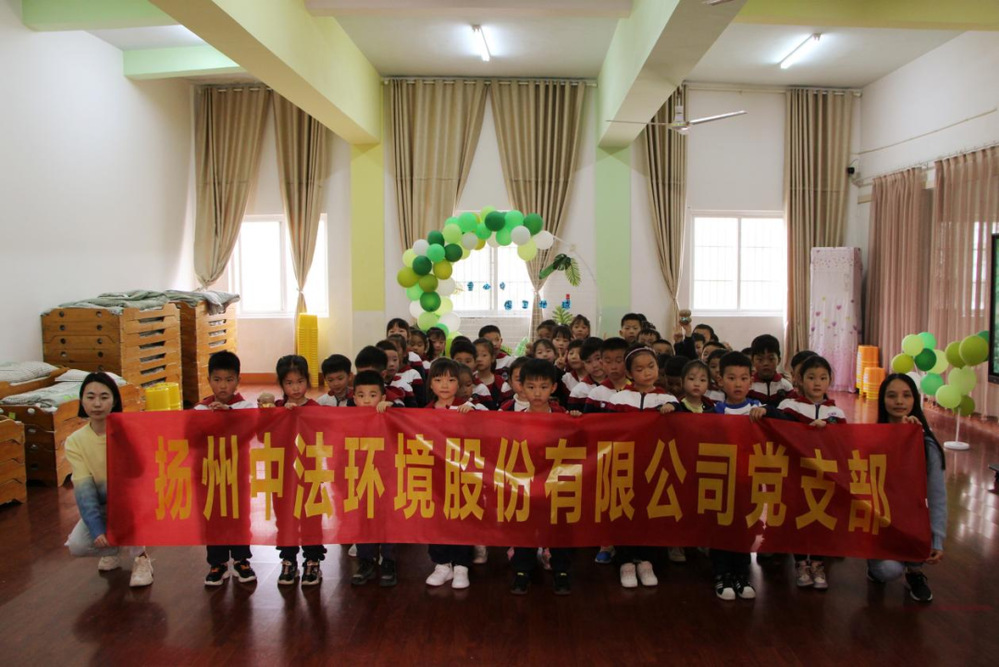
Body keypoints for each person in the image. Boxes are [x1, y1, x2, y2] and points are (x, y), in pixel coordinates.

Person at [65, 372, 154, 587]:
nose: (97, 404)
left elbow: (142, 474)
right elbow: (85, 491)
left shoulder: (131, 431)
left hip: (133, 504)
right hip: (104, 505)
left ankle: (141, 558)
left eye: (104, 397)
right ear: (82, 401)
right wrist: (97, 530)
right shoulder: (75, 441)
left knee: (130, 510)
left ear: (114, 401)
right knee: (77, 545)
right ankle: (112, 550)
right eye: (91, 397)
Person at [868, 373, 946, 603]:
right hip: (882, 523)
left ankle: (915, 571)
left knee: (916, 552)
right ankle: (875, 565)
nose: (899, 401)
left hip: (912, 522)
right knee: (888, 571)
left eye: (906, 395)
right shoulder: (871, 439)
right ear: (882, 400)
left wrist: (937, 539)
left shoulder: (926, 445)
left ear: (915, 400)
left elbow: (937, 495)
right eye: (892, 396)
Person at [607, 346, 677, 588]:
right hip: (624, 464)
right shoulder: (618, 399)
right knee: (625, 510)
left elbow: (682, 429)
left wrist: (674, 411)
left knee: (650, 510)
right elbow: (603, 428)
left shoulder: (667, 399)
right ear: (629, 373)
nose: (646, 372)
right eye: (639, 369)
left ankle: (646, 560)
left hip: (655, 465)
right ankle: (625, 561)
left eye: (651, 366)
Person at [710, 351, 774, 601]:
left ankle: (741, 573)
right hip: (721, 481)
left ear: (751, 380)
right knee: (720, 527)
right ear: (720, 380)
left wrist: (766, 412)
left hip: (749, 481)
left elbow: (782, 423)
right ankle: (721, 574)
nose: (738, 384)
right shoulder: (715, 411)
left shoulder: (757, 409)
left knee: (746, 526)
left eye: (743, 378)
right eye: (731, 378)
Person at [777, 355, 845, 590]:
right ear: (800, 379)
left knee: (820, 517)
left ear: (830, 381)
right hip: (796, 473)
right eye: (811, 377)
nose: (817, 383)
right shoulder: (789, 406)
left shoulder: (836, 412)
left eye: (823, 378)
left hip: (824, 476)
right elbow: (780, 429)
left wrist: (828, 428)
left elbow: (844, 440)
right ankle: (800, 563)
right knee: (798, 516)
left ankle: (817, 563)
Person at [509, 359, 577, 595]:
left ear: (554, 388)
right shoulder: (511, 419)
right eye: (531, 387)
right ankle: (522, 571)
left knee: (559, 526)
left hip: (557, 484)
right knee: (524, 526)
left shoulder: (564, 417)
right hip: (526, 483)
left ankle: (561, 570)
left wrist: (577, 421)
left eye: (543, 387)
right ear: (521, 387)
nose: (537, 393)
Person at [194, 351, 257, 586]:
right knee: (213, 518)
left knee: (239, 516)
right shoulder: (200, 410)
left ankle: (241, 560)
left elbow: (251, 429)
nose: (223, 386)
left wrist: (228, 415)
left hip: (238, 475)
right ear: (209, 380)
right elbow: (190, 439)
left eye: (229, 379)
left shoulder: (245, 406)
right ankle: (217, 562)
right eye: (217, 379)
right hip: (210, 477)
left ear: (238, 380)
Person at [424, 358, 485, 590]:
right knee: (437, 520)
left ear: (458, 384)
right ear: (431, 384)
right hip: (436, 477)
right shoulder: (424, 412)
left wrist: (472, 414)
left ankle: (461, 565)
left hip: (463, 476)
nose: (444, 385)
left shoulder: (468, 408)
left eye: (450, 380)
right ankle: (442, 564)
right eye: (438, 380)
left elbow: (488, 429)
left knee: (462, 519)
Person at [269, 355, 325, 586]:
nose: (295, 388)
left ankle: (312, 559)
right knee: (285, 516)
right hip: (282, 475)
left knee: (311, 515)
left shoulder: (314, 408)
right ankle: (288, 558)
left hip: (310, 473)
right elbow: (263, 437)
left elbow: (323, 436)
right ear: (281, 384)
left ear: (308, 381)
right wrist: (276, 416)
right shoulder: (275, 409)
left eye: (300, 381)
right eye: (289, 383)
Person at [349, 371, 398, 587]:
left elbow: (406, 420)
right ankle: (366, 561)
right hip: (360, 479)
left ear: (383, 397)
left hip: (387, 478)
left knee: (387, 520)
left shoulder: (389, 414)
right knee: (363, 520)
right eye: (361, 395)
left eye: (373, 395)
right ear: (354, 398)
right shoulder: (348, 419)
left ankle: (388, 561)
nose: (367, 400)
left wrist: (391, 408)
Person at [584, 337, 631, 414]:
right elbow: (588, 419)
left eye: (619, 361)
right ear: (602, 363)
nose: (613, 367)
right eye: (608, 362)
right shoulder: (596, 394)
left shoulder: (637, 391)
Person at [747, 334, 793, 406]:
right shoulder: (748, 386)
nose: (765, 363)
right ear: (752, 361)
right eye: (760, 359)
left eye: (771, 359)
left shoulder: (785, 386)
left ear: (779, 360)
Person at [567, 337, 604, 413]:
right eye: (588, 361)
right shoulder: (578, 391)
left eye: (598, 358)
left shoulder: (619, 384)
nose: (594, 365)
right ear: (583, 364)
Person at [472, 337, 510, 410]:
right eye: (476, 356)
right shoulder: (468, 382)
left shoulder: (501, 384)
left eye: (484, 355)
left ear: (492, 358)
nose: (479, 359)